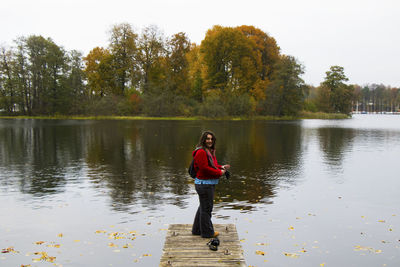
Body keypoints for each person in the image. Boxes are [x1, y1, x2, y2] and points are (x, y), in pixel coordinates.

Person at [191, 130, 230, 238]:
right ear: (203, 140)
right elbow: (204, 168)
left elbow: (213, 165)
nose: (210, 141)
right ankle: (207, 233)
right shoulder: (201, 152)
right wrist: (219, 173)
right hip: (204, 184)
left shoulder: (209, 151)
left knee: (203, 207)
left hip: (207, 184)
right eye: (208, 139)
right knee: (206, 209)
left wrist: (221, 167)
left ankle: (197, 230)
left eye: (211, 139)